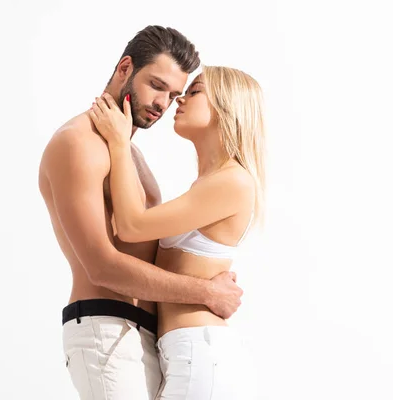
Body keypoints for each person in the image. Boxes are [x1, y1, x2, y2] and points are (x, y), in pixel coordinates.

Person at [38, 26, 243, 400]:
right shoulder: (78, 143)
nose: (163, 103)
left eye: (174, 94)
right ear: (125, 68)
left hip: (146, 334)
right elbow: (101, 265)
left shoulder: (126, 151)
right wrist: (207, 293)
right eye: (156, 85)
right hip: (105, 330)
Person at [89, 64, 266, 399]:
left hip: (200, 354)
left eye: (195, 91)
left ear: (227, 107)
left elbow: (132, 226)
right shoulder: (208, 183)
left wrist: (117, 141)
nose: (179, 100)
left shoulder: (233, 181)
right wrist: (124, 140)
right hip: (183, 353)